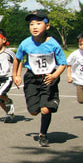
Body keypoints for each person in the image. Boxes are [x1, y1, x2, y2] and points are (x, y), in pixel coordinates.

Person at [12, 11, 67, 147]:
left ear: (47, 26)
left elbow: (62, 64)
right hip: (32, 77)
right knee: (33, 111)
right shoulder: (25, 43)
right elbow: (17, 59)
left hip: (48, 77)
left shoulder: (53, 44)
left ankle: (43, 134)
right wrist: (15, 75)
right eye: (31, 24)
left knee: (45, 109)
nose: (34, 27)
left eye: (38, 23)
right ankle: (41, 106)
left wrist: (54, 76)